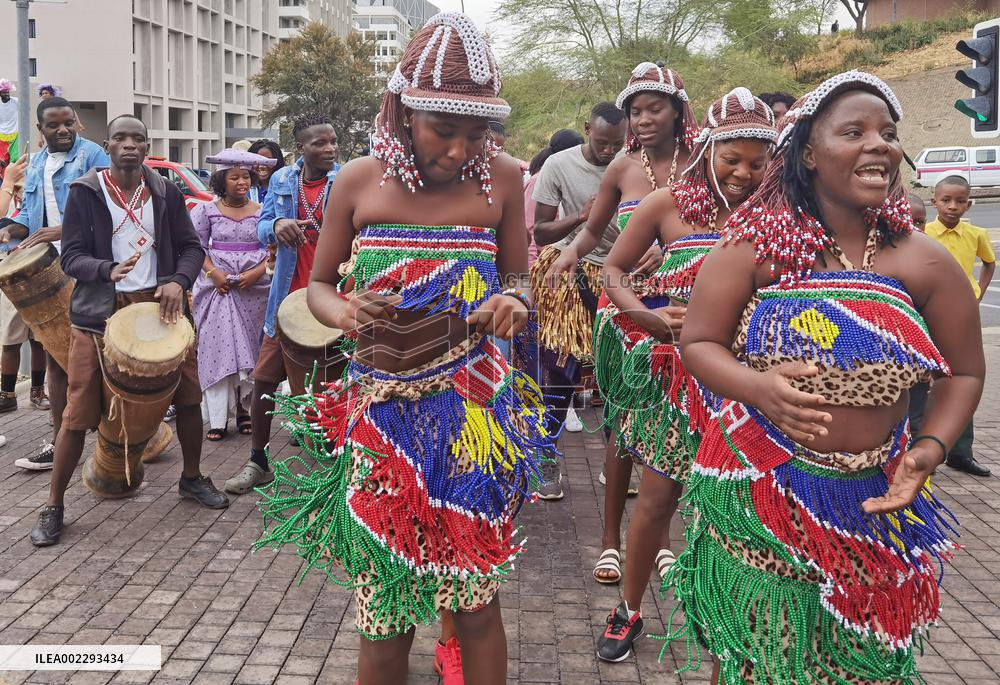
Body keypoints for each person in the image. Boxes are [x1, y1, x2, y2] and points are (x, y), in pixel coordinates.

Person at [254, 13, 550, 685]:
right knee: (383, 611)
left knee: (475, 600)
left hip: (473, 417)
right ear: (403, 111)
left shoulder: (503, 178)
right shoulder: (357, 181)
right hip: (381, 419)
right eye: (443, 128)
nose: (460, 149)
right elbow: (319, 287)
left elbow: (518, 277)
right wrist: (346, 311)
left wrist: (515, 302)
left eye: (477, 132)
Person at [661, 71, 983, 684]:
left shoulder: (922, 258)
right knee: (758, 657)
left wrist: (929, 449)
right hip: (759, 487)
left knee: (857, 664)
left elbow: (964, 371)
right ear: (808, 153)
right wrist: (757, 387)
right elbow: (699, 342)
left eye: (888, 134)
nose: (879, 144)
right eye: (854, 132)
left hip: (873, 497)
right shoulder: (752, 248)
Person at [595, 88, 776, 663]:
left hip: (749, 383)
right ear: (707, 150)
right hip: (677, 381)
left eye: (758, 162)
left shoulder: (782, 217)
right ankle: (628, 610)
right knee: (656, 499)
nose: (744, 173)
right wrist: (644, 315)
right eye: (732, 159)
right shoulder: (667, 204)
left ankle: (736, 619)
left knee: (744, 506)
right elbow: (613, 270)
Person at [29, 114, 229, 547]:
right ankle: (54, 505)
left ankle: (192, 477)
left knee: (189, 398)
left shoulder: (165, 191)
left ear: (147, 146)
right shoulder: (85, 191)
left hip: (161, 310)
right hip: (99, 315)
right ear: (108, 145)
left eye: (138, 138)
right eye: (120, 138)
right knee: (77, 414)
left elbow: (192, 247)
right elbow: (71, 257)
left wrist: (177, 281)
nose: (129, 145)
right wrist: (107, 270)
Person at [545, 62, 699, 585]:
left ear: (678, 111)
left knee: (673, 424)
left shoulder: (703, 164)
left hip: (682, 310)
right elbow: (592, 234)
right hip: (627, 310)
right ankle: (610, 542)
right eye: (636, 111)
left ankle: (659, 540)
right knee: (623, 426)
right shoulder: (622, 168)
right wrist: (569, 255)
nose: (644, 119)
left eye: (654, 108)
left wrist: (672, 251)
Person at [222, 113, 340, 495]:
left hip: (333, 301)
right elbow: (261, 227)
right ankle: (258, 462)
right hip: (287, 301)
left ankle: (335, 471)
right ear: (301, 148)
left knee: (332, 388)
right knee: (264, 380)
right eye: (320, 143)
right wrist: (274, 227)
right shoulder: (282, 180)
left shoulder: (345, 180)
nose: (330, 148)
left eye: (333, 141)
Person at [4, 96, 109, 471]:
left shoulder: (93, 155)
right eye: (54, 125)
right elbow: (30, 219)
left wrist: (63, 230)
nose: (63, 130)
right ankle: (59, 440)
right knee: (56, 358)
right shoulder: (36, 163)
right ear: (41, 129)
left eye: (69, 123)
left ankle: (120, 437)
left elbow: (111, 209)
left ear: (77, 121)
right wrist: (10, 230)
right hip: (49, 272)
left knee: (99, 357)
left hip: (89, 269)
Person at [528, 103, 627, 499]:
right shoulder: (558, 165)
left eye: (617, 144)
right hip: (571, 270)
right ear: (587, 129)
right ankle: (546, 459)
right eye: (602, 142)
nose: (609, 151)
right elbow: (540, 233)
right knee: (562, 372)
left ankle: (615, 465)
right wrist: (582, 217)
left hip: (622, 273)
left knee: (617, 373)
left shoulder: (633, 164)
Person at [191, 149, 274, 441]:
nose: (242, 182)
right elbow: (196, 247)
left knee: (251, 349)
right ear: (220, 181)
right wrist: (214, 274)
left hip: (254, 290)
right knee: (218, 348)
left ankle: (244, 410)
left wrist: (257, 273)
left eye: (246, 177)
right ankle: (217, 419)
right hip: (218, 290)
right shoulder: (205, 211)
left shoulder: (263, 212)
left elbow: (272, 249)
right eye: (234, 177)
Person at [923, 174, 994, 477]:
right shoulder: (923, 232)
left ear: (968, 205)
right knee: (926, 381)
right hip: (928, 313)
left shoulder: (976, 234)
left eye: (960, 201)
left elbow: (989, 263)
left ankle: (961, 453)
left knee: (962, 378)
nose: (953, 206)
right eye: (946, 200)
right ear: (934, 202)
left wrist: (978, 293)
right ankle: (923, 449)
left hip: (962, 315)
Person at [0, 155, 49, 417]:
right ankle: (7, 394)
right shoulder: (6, 194)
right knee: (11, 337)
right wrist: (9, 183)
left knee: (40, 338)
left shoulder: (38, 200)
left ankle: (38, 391)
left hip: (40, 267)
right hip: (11, 271)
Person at [247, 139, 284, 205]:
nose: (262, 166)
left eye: (268, 161)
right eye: (257, 161)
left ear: (277, 162)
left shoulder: (287, 188)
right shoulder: (244, 189)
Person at [0, 80, 19, 167]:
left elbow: (26, 109)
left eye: (8, 92)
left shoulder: (16, 101)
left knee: (15, 159)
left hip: (15, 134)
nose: (7, 94)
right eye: (4, 92)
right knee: (3, 161)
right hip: (2, 135)